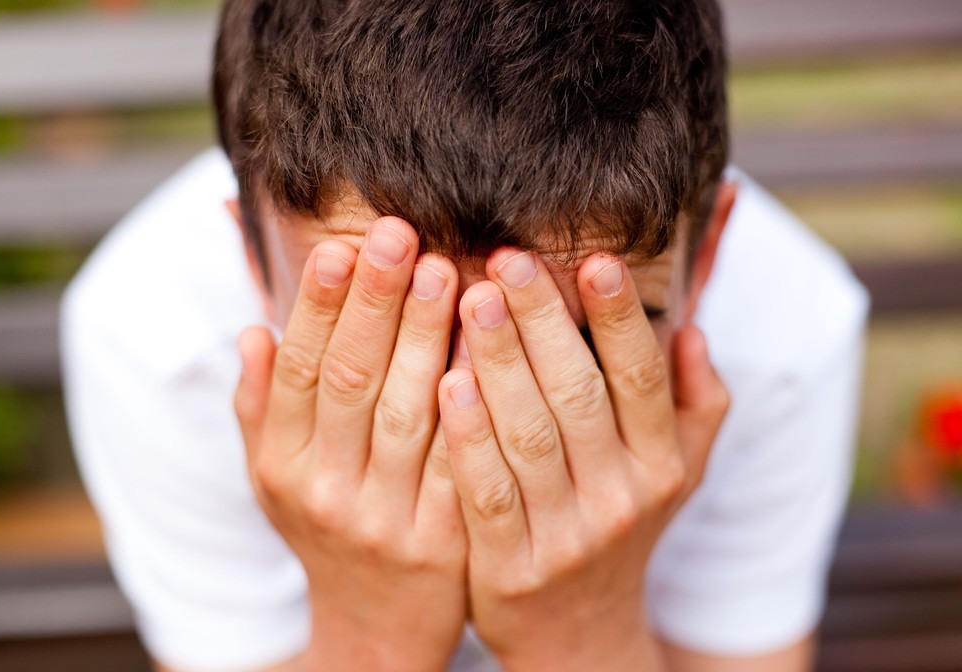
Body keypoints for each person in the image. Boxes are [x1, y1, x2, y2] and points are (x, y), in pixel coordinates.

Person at [61, 1, 868, 670]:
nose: (468, 410)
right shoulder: (156, 339)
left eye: (578, 338)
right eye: (372, 325)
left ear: (712, 250)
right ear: (249, 252)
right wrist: (374, 632)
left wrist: (582, 635)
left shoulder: (782, 335)